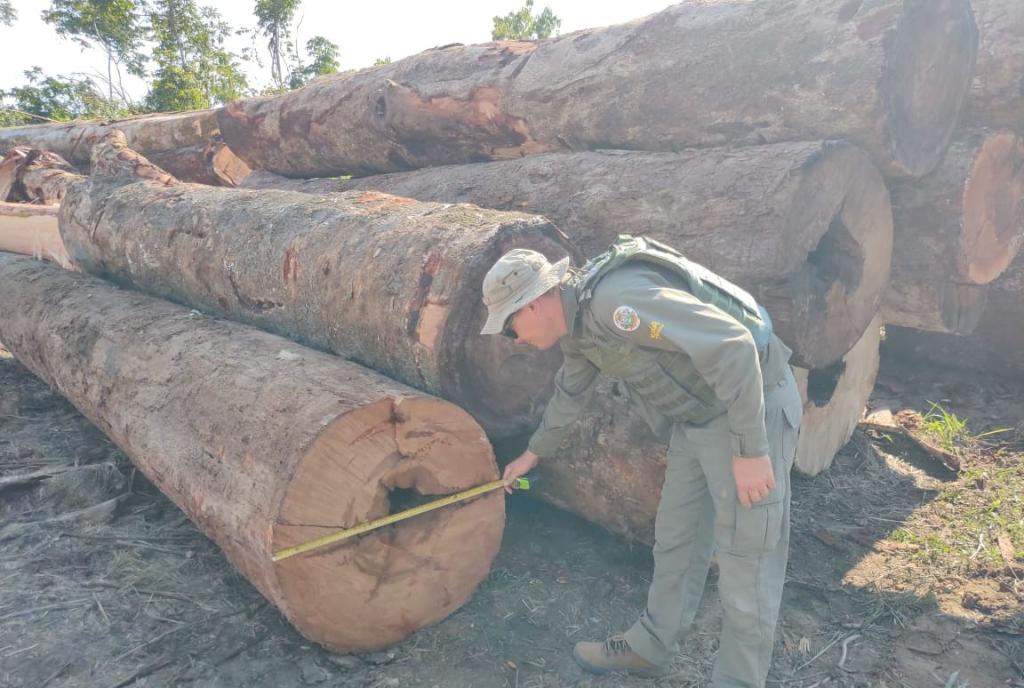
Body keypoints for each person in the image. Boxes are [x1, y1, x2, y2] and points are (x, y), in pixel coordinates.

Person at [479, 235, 803, 687]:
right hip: (698, 417)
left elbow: (733, 345)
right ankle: (651, 646)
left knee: (746, 562)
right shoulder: (578, 327)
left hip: (749, 407)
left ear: (532, 304)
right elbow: (570, 391)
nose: (513, 339)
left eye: (509, 328)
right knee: (677, 537)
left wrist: (751, 450)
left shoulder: (617, 304)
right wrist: (534, 453)